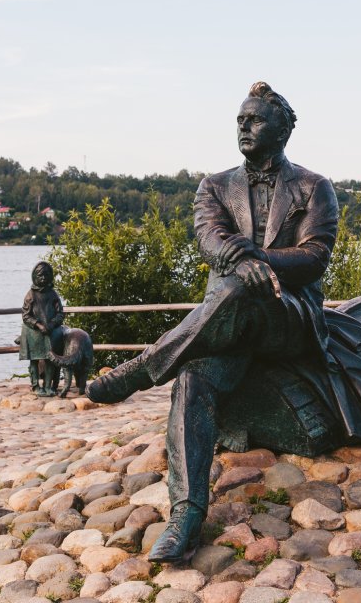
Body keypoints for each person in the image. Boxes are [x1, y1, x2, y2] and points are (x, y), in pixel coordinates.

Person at [85, 81, 340, 562]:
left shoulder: (313, 186)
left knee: (239, 286)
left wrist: (257, 262)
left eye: (255, 119)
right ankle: (186, 515)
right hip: (229, 324)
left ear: (282, 129)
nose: (244, 126)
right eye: (240, 120)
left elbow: (313, 257)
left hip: (287, 317)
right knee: (192, 379)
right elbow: (210, 241)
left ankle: (143, 368)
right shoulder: (214, 186)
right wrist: (240, 263)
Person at [19, 261, 65, 396]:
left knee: (50, 359)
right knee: (34, 360)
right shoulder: (30, 295)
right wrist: (38, 325)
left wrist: (51, 324)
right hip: (32, 331)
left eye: (46, 275)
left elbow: (60, 313)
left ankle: (48, 386)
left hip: (50, 332)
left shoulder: (53, 294)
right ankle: (35, 386)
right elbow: (26, 315)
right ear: (35, 277)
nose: (43, 278)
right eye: (40, 276)